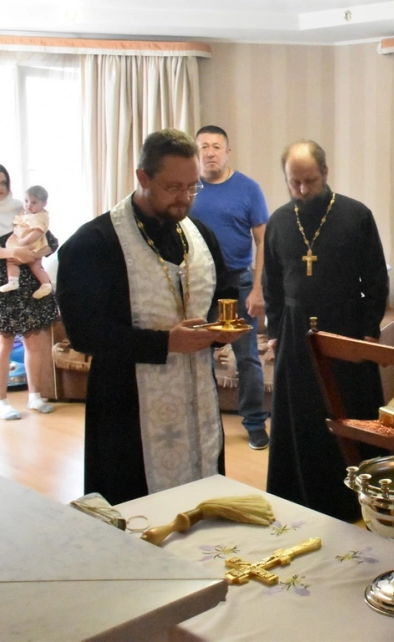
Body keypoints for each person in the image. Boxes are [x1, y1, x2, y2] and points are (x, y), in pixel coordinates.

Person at [56, 129, 240, 505]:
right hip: (126, 409)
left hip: (198, 403)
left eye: (192, 187)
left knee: (204, 504)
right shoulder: (93, 243)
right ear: (143, 177)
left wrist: (222, 329)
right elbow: (85, 332)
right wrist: (165, 342)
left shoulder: (200, 235)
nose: (185, 198)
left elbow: (225, 291)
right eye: (174, 187)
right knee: (135, 511)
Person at [263, 140, 388, 521]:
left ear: (326, 173)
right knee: (300, 417)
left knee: (346, 414)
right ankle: (297, 497)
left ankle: (354, 500)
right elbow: (272, 283)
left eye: (310, 181)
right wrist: (274, 331)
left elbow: (376, 279)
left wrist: (369, 331)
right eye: (295, 182)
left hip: (345, 328)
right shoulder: (279, 221)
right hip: (294, 332)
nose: (302, 189)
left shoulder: (356, 215)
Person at [191, 125, 272, 450]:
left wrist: (258, 289)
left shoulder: (248, 189)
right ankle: (202, 421)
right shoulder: (188, 189)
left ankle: (254, 423)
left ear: (227, 152)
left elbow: (263, 241)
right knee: (197, 356)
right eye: (204, 147)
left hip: (238, 283)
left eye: (216, 146)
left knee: (247, 357)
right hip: (198, 285)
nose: (210, 152)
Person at [0, 163, 59, 420]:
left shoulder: (23, 206)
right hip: (2, 280)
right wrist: (13, 252)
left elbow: (51, 241)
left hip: (29, 279)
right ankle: (2, 401)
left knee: (33, 341)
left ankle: (34, 396)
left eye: (2, 182)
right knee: (4, 341)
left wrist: (34, 253)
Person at [0, 185, 53, 300]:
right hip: (26, 247)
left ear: (44, 204)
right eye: (26, 201)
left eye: (34, 202)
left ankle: (44, 284)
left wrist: (26, 243)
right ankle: (42, 284)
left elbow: (39, 232)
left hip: (31, 245)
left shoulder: (39, 216)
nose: (28, 205)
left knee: (27, 265)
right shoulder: (26, 213)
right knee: (19, 263)